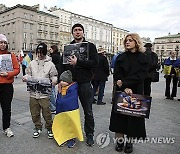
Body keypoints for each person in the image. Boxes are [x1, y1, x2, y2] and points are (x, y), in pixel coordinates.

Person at [58, 23, 98, 146]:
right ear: (72, 33)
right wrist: (61, 80)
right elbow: (61, 65)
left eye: (80, 30)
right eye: (75, 30)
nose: (77, 32)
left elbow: (94, 63)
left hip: (85, 83)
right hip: (70, 84)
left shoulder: (90, 46)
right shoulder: (68, 47)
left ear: (83, 32)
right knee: (70, 111)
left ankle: (89, 134)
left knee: (88, 111)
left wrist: (78, 62)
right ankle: (71, 135)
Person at [109, 33, 149, 153]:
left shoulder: (143, 57)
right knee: (119, 119)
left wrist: (126, 83)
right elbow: (117, 74)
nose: (127, 42)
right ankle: (120, 142)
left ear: (136, 42)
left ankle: (129, 143)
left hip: (136, 90)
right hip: (122, 91)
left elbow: (141, 75)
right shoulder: (121, 57)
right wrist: (125, 86)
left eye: (130, 40)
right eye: (126, 40)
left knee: (133, 118)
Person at [22, 42, 58, 139]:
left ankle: (49, 127)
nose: (39, 54)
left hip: (44, 94)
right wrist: (25, 77)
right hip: (33, 93)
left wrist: (54, 81)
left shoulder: (50, 64)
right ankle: (37, 127)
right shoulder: (32, 63)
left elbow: (54, 75)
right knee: (34, 112)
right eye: (38, 52)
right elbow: (28, 74)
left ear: (45, 52)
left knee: (47, 112)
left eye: (42, 52)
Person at [52, 70, 83, 148]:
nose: (61, 82)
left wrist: (61, 101)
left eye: (63, 81)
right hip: (62, 110)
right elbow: (59, 97)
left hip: (71, 111)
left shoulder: (73, 88)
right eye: (61, 80)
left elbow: (71, 99)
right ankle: (63, 136)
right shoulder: (62, 87)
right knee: (63, 123)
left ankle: (71, 138)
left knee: (71, 124)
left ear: (68, 81)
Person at [0, 34, 20, 137]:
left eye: (4, 43)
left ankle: (6, 127)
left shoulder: (11, 55)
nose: (3, 44)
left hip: (7, 86)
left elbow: (17, 69)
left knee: (6, 108)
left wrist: (8, 74)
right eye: (1, 42)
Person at [49, 45, 61, 113]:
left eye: (50, 49)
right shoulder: (57, 55)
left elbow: (55, 65)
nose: (49, 50)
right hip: (56, 74)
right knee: (52, 91)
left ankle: (53, 107)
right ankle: (54, 106)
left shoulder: (54, 56)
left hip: (53, 75)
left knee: (51, 91)